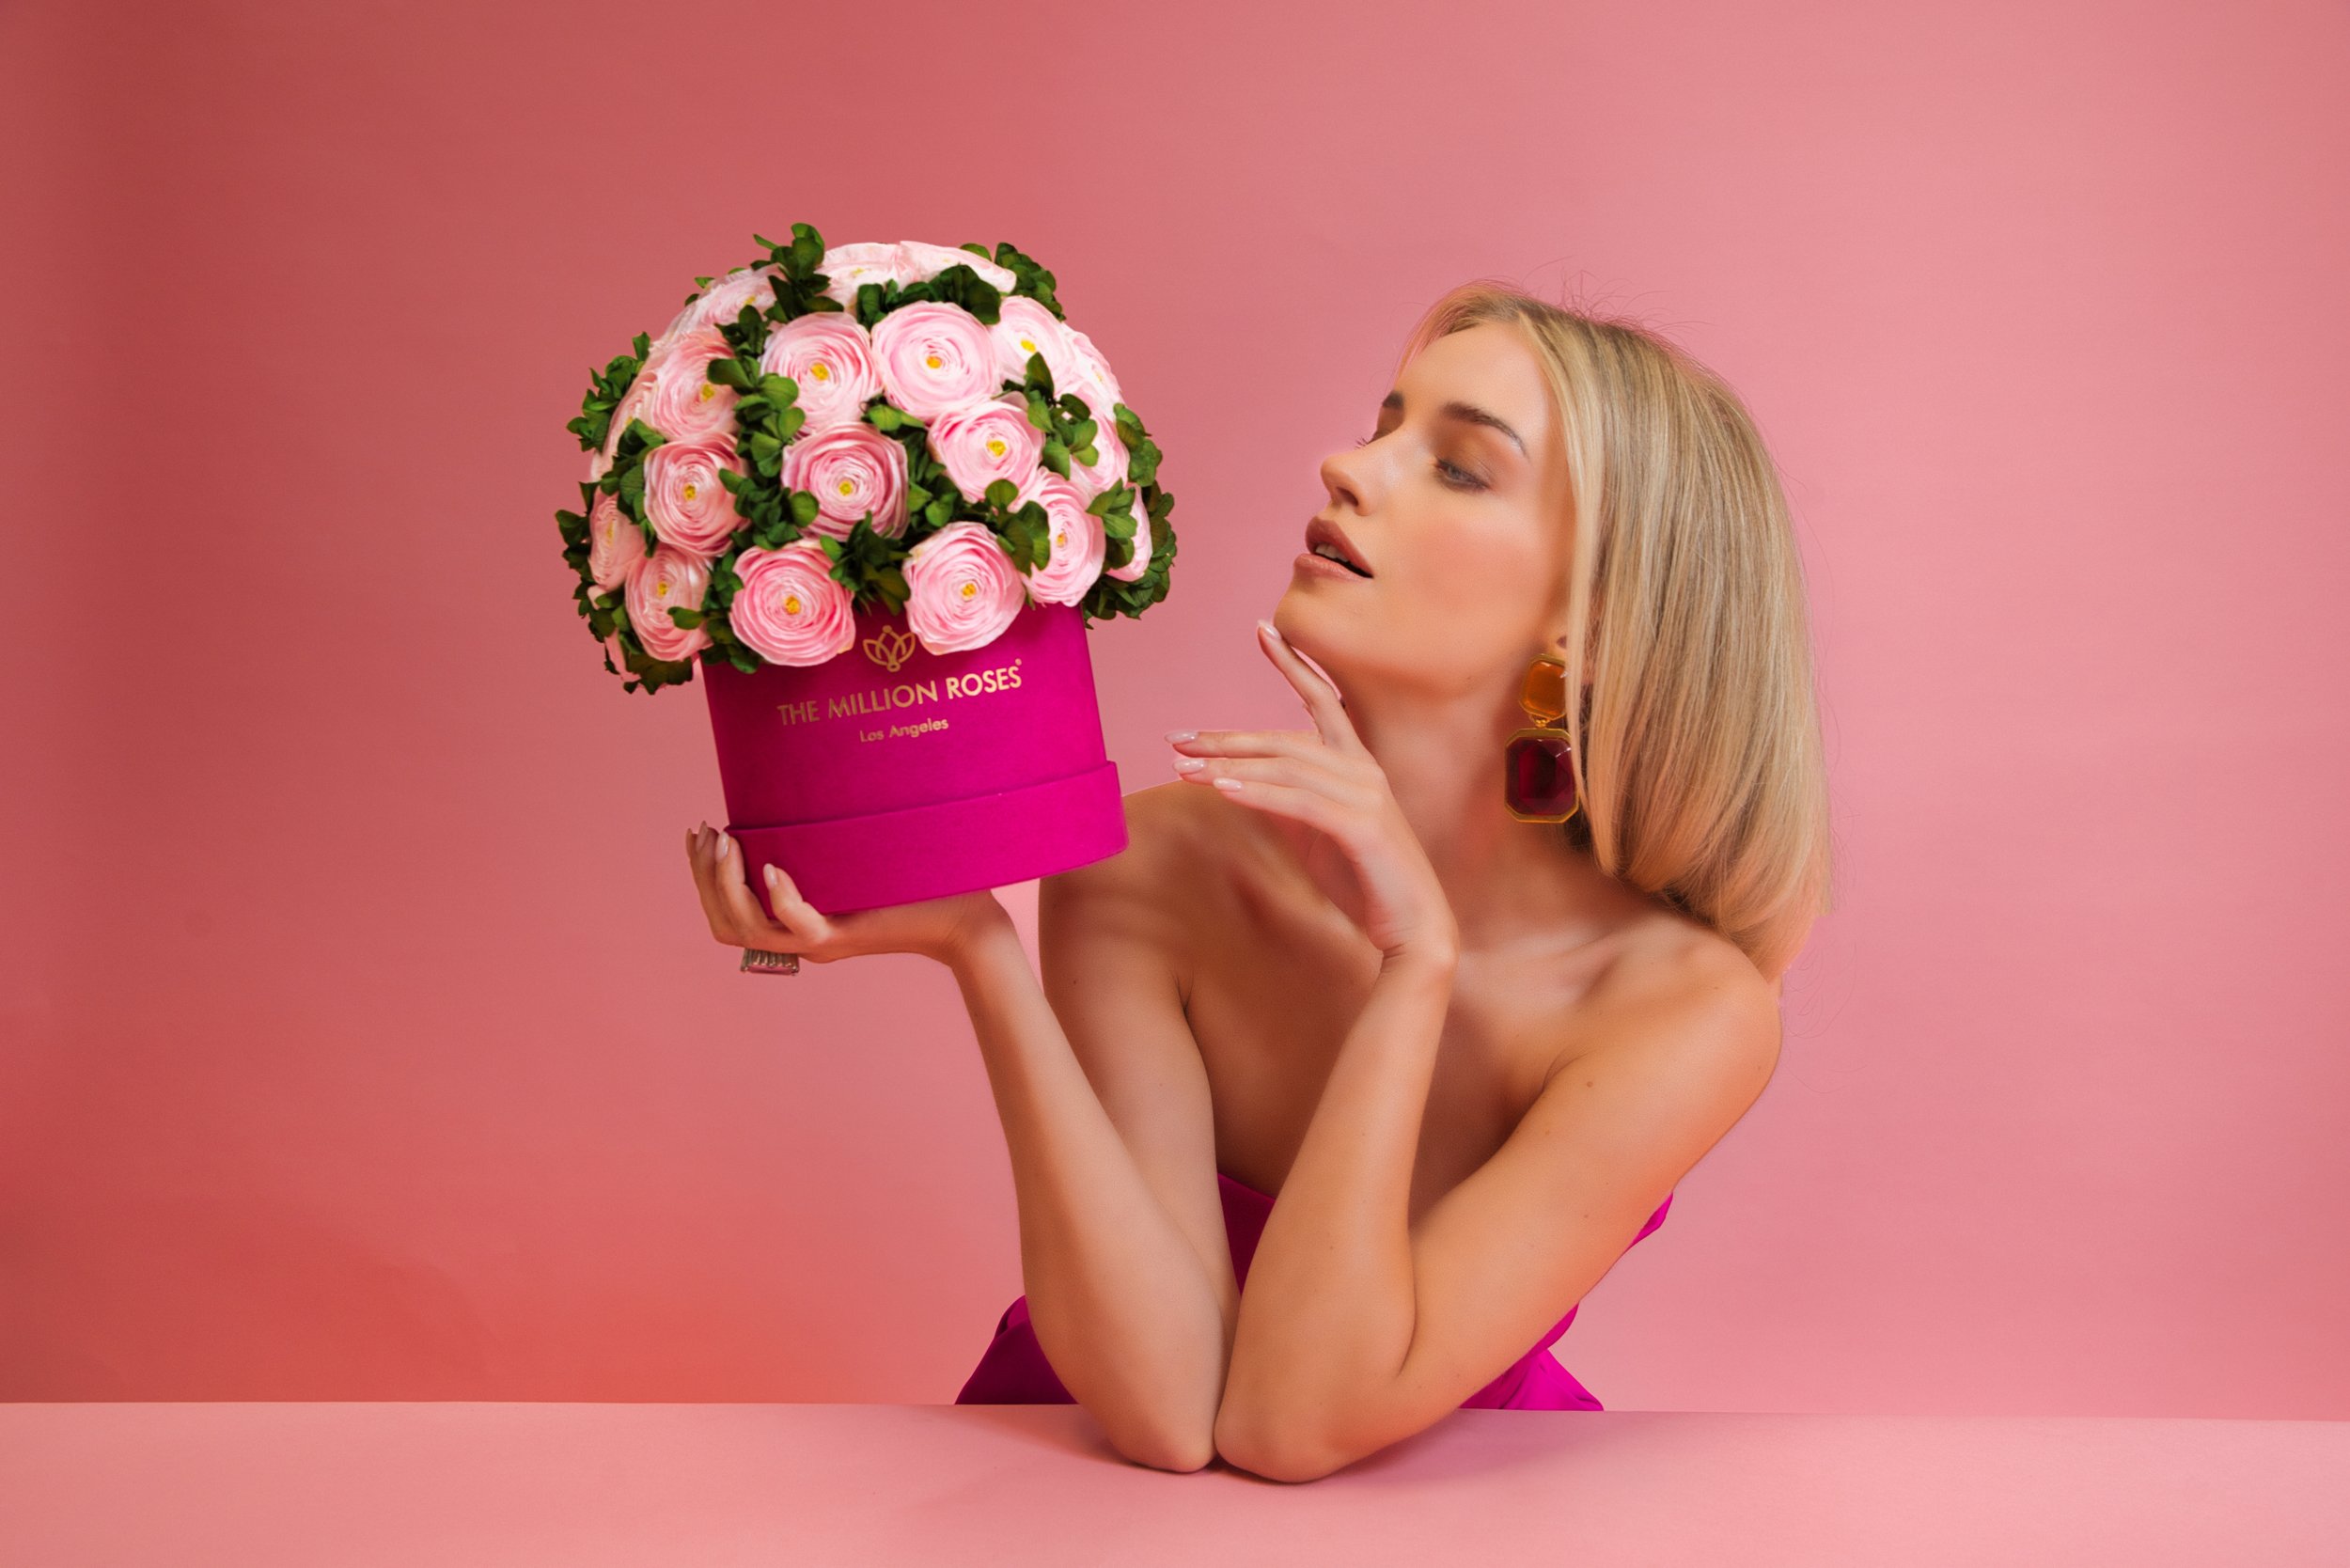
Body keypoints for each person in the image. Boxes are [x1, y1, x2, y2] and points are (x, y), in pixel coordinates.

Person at [682, 280, 1835, 1482]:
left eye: (1458, 466)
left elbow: (1294, 1419)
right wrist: (980, 951)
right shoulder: (1156, 865)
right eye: (1383, 422)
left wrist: (1414, 965)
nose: (1346, 464)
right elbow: (1170, 1410)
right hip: (1070, 1500)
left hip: (1452, 1519)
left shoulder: (1682, 1014)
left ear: (1590, 624)